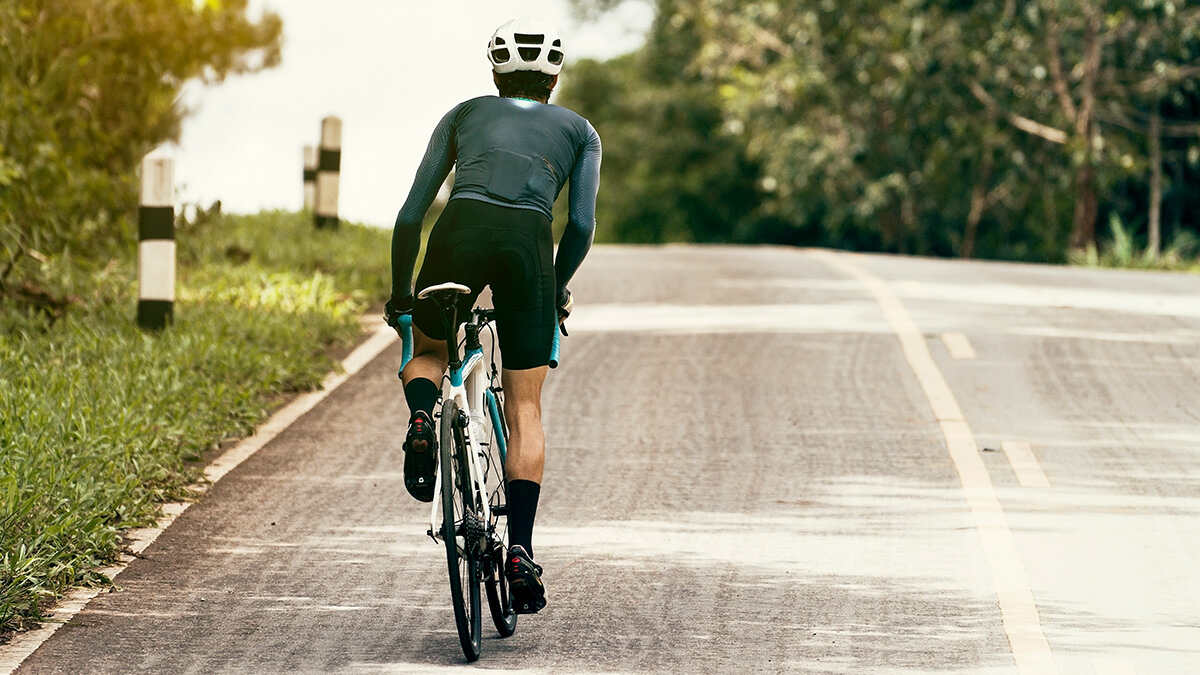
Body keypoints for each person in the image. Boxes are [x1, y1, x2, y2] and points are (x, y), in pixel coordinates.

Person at [384, 18, 601, 615]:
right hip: (528, 247)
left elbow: (410, 215)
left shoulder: (463, 114)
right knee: (525, 406)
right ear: (554, 76)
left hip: (458, 234)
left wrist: (402, 295)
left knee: (430, 350)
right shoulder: (581, 131)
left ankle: (423, 418)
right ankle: (520, 552)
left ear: (495, 73)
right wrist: (556, 287)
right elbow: (581, 225)